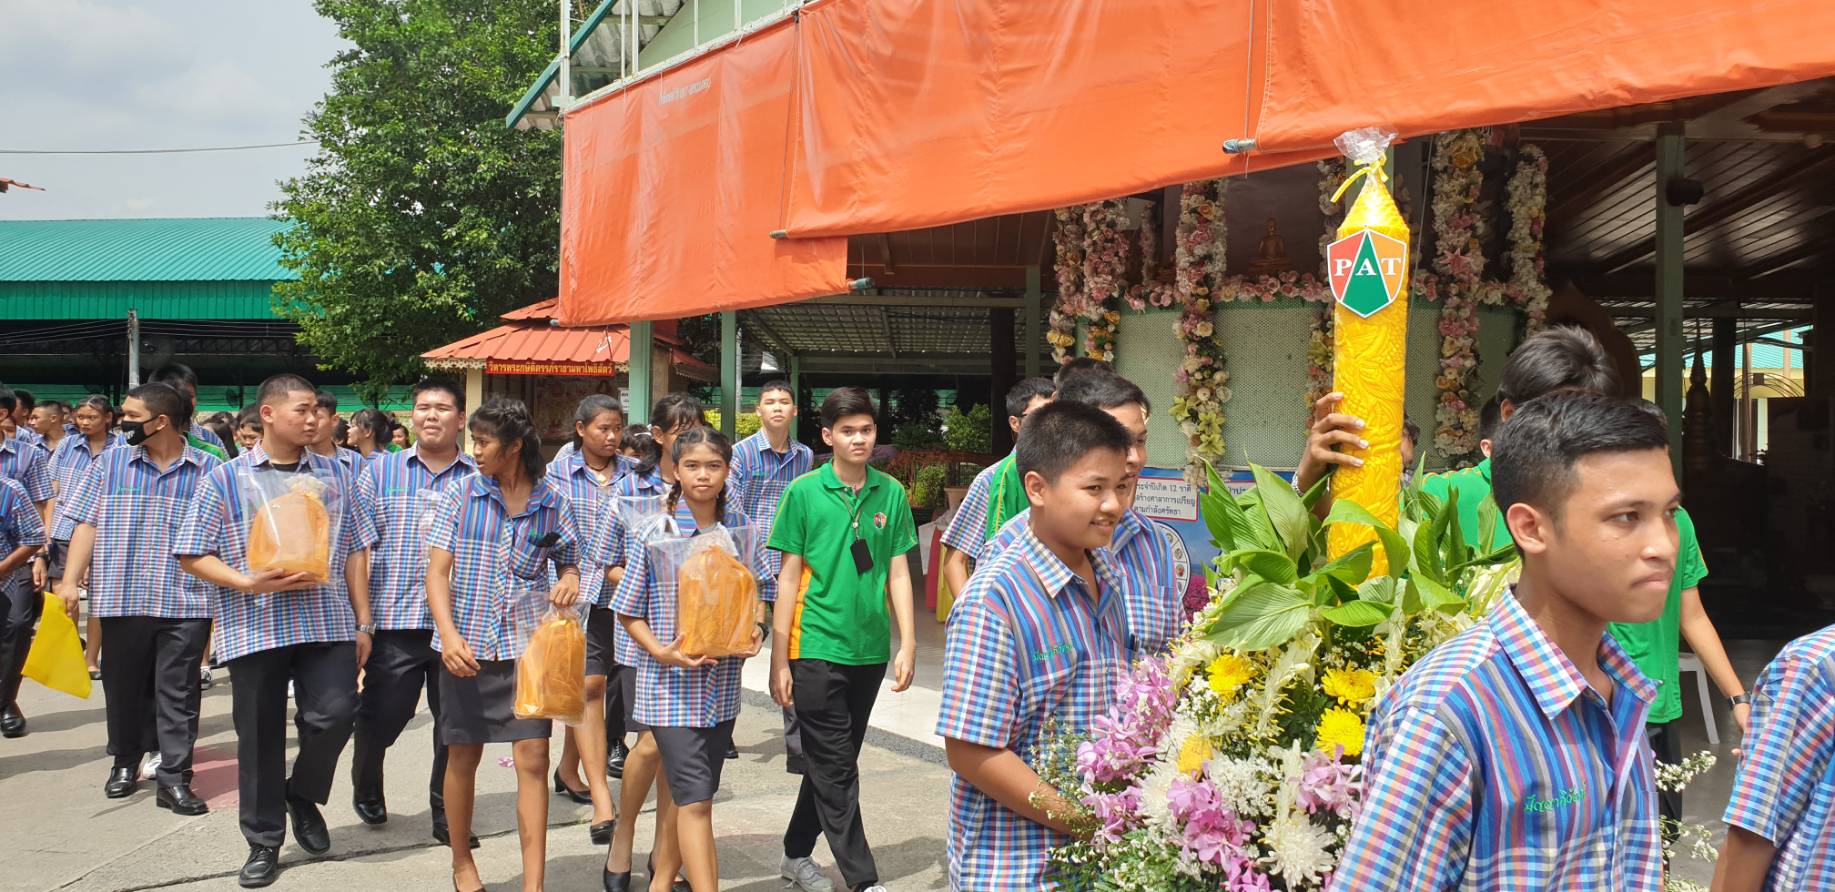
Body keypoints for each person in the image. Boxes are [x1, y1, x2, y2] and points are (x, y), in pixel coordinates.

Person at [1331, 391, 1675, 889]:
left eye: (1669, 513)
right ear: (1530, 528)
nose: (1662, 545)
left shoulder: (1619, 687)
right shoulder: (1446, 717)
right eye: (1626, 517)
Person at [174, 373, 379, 888]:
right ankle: (263, 840)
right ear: (267, 413)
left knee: (336, 714)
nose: (313, 419)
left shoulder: (337, 474)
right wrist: (247, 581)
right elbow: (192, 552)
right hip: (254, 624)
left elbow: (356, 548)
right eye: (301, 410)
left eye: (317, 411)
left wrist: (363, 620)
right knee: (259, 735)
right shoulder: (226, 478)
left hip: (326, 620)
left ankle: (301, 793)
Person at [936, 401, 1134, 890]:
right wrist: (1085, 821)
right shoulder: (993, 599)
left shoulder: (1108, 572)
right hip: (1020, 868)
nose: (1113, 505)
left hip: (1100, 863)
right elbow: (971, 751)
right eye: (1094, 488)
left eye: (1120, 486)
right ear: (1037, 488)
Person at [426, 397, 581, 892]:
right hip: (466, 649)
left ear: (513, 447)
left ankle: (534, 883)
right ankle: (461, 862)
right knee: (463, 755)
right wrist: (449, 635)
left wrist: (570, 579)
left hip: (527, 651)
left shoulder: (553, 501)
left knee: (534, 757)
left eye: (483, 442)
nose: (475, 450)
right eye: (473, 441)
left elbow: (570, 560)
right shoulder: (460, 495)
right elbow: (437, 573)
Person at [768, 387, 918, 892]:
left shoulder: (890, 493)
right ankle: (862, 878)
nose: (859, 439)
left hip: (869, 649)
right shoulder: (804, 492)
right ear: (827, 436)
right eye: (848, 431)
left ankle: (795, 854)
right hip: (814, 644)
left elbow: (899, 572)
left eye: (866, 430)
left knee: (832, 762)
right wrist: (780, 658)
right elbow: (788, 578)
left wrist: (908, 643)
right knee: (836, 766)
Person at [614, 426, 767, 892]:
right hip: (669, 691)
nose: (703, 475)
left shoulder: (739, 530)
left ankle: (661, 881)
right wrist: (662, 651)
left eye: (713, 466)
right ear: (676, 470)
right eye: (693, 466)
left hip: (722, 692)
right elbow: (627, 610)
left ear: (727, 471)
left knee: (692, 797)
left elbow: (759, 592)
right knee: (697, 802)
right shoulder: (654, 531)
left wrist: (757, 630)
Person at [54, 383, 218, 813]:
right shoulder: (110, 463)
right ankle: (125, 761)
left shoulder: (209, 470)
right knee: (124, 687)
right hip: (121, 596)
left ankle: (175, 777)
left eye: (130, 416)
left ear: (160, 421)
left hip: (187, 600)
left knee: (180, 692)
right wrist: (69, 581)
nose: (122, 422)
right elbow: (86, 523)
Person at [347, 377, 478, 849]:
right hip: (395, 619)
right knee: (384, 714)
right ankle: (366, 779)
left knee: (455, 725)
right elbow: (357, 547)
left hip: (460, 624)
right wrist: (362, 620)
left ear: (460, 419)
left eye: (442, 408)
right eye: (423, 407)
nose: (431, 415)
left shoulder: (479, 477)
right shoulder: (379, 472)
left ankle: (446, 812)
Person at [978, 371, 1178, 658]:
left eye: (1140, 441)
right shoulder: (1006, 554)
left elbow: (1174, 653)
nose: (1133, 457)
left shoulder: (1152, 542)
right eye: (1117, 441)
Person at [597, 393, 705, 892]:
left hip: (697, 639)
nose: (690, 438)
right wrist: (657, 582)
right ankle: (623, 835)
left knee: (678, 755)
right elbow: (607, 562)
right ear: (658, 436)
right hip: (642, 638)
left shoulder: (710, 486)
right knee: (649, 745)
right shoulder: (628, 488)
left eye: (697, 427)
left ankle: (666, 859)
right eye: (680, 430)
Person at [547, 394, 628, 844]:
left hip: (623, 594)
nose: (612, 436)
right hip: (575, 597)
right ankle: (602, 800)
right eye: (603, 429)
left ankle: (567, 767)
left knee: (595, 689)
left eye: (617, 428)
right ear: (581, 430)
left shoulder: (635, 476)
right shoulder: (555, 475)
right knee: (590, 687)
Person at [726, 381, 815, 775]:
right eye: (769, 402)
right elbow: (732, 511)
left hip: (789, 566)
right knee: (736, 651)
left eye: (784, 402)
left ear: (794, 411)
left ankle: (798, 746)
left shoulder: (804, 455)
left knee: (792, 650)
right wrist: (751, 563)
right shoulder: (740, 454)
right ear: (757, 410)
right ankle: (722, 730)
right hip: (746, 567)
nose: (777, 407)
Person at [1713, 622, 1835, 891]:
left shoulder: (1813, 664)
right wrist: (1737, 700)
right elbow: (1755, 827)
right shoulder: (1817, 665)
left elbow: (1757, 823)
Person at [938, 377, 1056, 599]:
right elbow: (954, 562)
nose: (1050, 424)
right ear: (1015, 423)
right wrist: (975, 614)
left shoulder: (1069, 476)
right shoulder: (991, 480)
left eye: (1056, 415)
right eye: (1038, 416)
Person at [50, 395, 121, 679]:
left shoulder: (122, 448)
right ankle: (69, 653)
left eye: (92, 417)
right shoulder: (67, 444)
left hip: (104, 533)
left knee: (98, 600)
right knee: (63, 596)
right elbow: (52, 487)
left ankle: (91, 659)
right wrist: (47, 531)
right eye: (81, 417)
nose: (85, 422)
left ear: (108, 418)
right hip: (65, 529)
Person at [0, 384, 53, 739]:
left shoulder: (27, 455)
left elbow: (42, 504)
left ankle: (6, 700)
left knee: (17, 625)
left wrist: (40, 556)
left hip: (18, 554)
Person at [149, 363, 228, 454]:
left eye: (189, 396)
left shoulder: (211, 440)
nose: (182, 403)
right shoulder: (142, 440)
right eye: (175, 397)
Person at [309, 391, 363, 479]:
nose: (310, 422)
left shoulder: (355, 461)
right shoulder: (292, 461)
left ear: (334, 420)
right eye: (305, 417)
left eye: (318, 417)